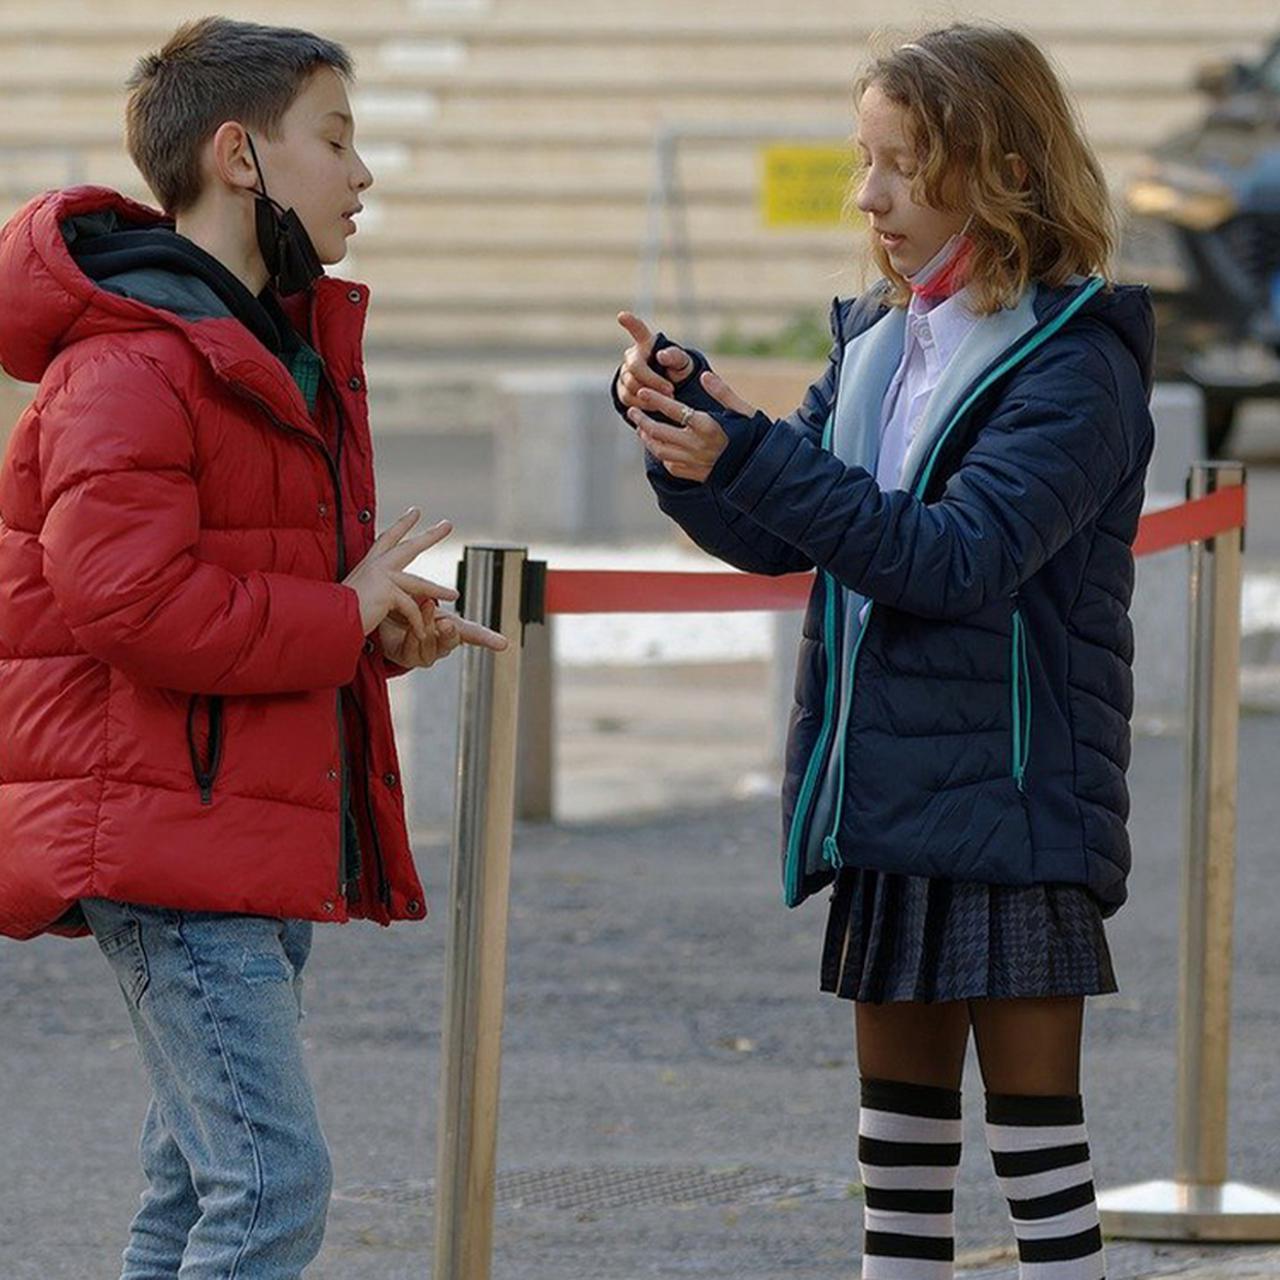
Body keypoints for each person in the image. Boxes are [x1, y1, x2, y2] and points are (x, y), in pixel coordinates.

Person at [613, 23, 1154, 1280]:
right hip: (888, 790)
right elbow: (774, 532)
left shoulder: (1074, 364)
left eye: (900, 165)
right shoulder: (877, 339)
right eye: (864, 162)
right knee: (897, 1171)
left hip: (1018, 801)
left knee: (1037, 1167)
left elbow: (950, 559)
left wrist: (754, 450)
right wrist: (689, 433)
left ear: (1000, 168)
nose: (868, 198)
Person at [0, 17, 506, 1277]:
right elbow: (129, 604)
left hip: (235, 821)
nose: (361, 172)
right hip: (172, 840)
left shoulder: (265, 348)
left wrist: (375, 631)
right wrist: (341, 608)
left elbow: (254, 589)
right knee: (271, 1184)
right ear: (240, 155)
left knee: (194, 1183)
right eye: (333, 139)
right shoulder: (130, 361)